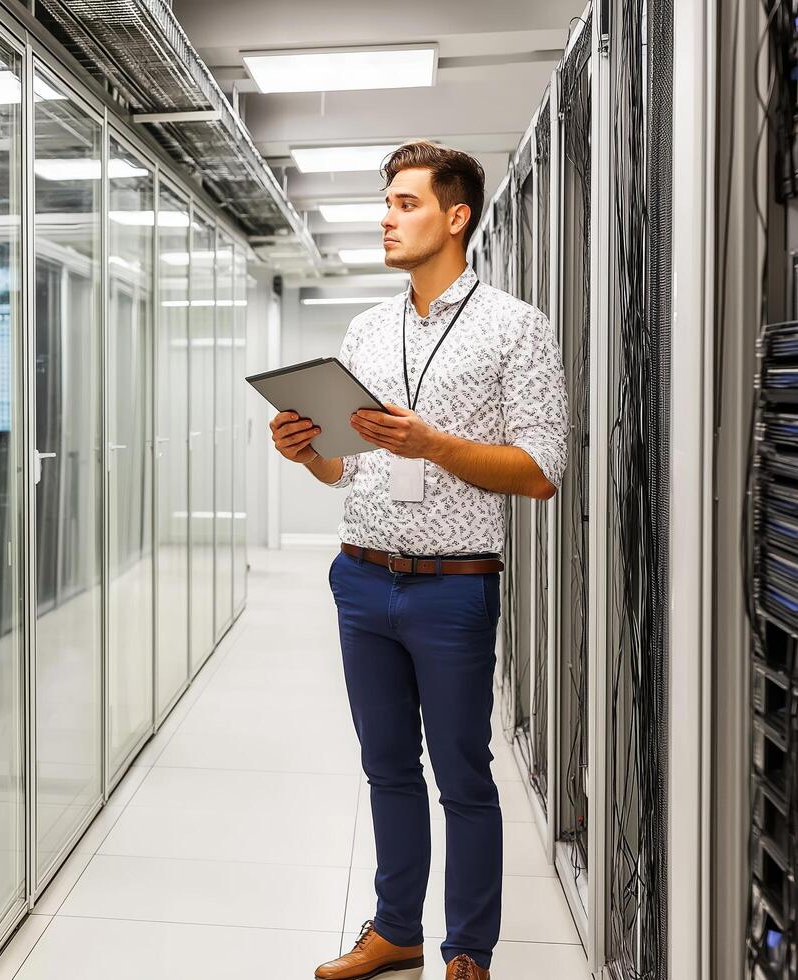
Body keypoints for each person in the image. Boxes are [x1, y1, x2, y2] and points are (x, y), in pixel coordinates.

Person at [269, 141, 566, 980]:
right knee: (385, 768)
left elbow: (542, 472)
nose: (386, 218)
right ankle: (395, 928)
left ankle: (467, 950)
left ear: (455, 215)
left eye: (404, 202)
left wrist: (433, 443)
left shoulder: (515, 327)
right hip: (361, 579)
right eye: (387, 203)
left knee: (463, 777)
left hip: (451, 590)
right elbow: (343, 465)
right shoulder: (366, 329)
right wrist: (306, 452)